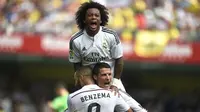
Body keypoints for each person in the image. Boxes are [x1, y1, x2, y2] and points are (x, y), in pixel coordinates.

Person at [68, 1, 125, 91]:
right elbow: (76, 64)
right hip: (90, 84)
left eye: (96, 15)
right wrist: (82, 84)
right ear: (84, 19)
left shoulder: (111, 35)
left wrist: (115, 82)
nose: (93, 17)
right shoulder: (75, 40)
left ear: (101, 20)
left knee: (129, 104)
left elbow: (119, 60)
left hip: (111, 81)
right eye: (90, 15)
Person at [66, 66, 133, 112]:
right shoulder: (113, 93)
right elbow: (129, 111)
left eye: (76, 79)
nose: (76, 83)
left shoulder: (73, 97)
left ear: (81, 77)